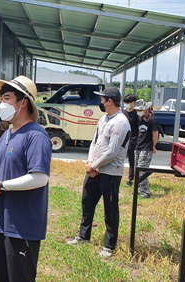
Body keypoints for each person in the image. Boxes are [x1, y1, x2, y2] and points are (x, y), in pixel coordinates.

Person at [0, 76, 52, 282]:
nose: (2, 104)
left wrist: (2, 186)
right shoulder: (7, 134)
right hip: (0, 222)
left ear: (23, 103)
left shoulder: (36, 136)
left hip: (22, 225)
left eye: (7, 98)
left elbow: (39, 177)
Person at [67, 87, 131, 259]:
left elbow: (112, 152)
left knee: (110, 209)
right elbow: (94, 143)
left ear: (109, 101)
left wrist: (93, 165)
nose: (100, 102)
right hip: (95, 169)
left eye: (102, 99)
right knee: (87, 203)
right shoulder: (103, 119)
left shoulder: (120, 122)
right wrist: (90, 162)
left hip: (110, 173)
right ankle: (83, 236)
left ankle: (109, 246)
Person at [135, 104, 159, 198]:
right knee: (136, 170)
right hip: (138, 147)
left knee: (142, 170)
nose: (138, 112)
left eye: (140, 110)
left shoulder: (152, 120)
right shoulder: (140, 119)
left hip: (146, 148)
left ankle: (145, 192)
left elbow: (155, 135)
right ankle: (138, 190)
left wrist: (153, 146)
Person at [122, 95, 139, 187]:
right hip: (123, 139)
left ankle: (130, 178)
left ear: (133, 103)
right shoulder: (123, 113)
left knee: (131, 160)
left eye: (128, 102)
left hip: (132, 140)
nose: (126, 104)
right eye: (125, 102)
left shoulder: (136, 115)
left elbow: (138, 129)